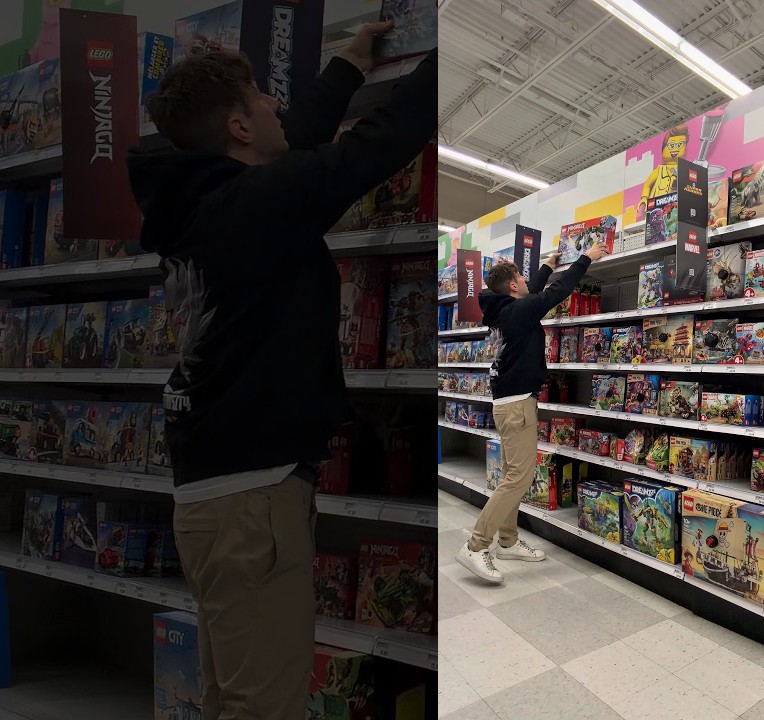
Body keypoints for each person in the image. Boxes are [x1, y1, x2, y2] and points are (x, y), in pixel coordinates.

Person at [127, 22, 436, 720]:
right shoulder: (257, 206)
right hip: (253, 507)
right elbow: (373, 146)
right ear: (238, 126)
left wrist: (347, 66)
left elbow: (288, 141)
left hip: (214, 498)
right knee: (264, 710)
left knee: (233, 700)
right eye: (262, 97)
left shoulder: (200, 205)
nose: (275, 104)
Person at [457, 245, 610, 583]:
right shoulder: (517, 312)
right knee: (519, 478)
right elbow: (555, 293)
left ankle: (508, 541)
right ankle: (475, 545)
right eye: (522, 277)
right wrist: (587, 257)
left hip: (509, 403)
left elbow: (533, 292)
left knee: (512, 474)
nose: (527, 280)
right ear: (513, 285)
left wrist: (546, 266)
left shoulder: (503, 310)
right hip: (516, 407)